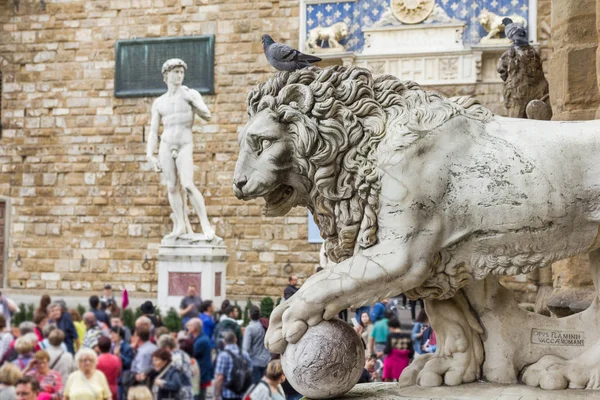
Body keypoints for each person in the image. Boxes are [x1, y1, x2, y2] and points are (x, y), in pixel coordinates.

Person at [146, 58, 215, 240]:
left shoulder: (190, 94)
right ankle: (180, 225)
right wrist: (150, 155)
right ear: (166, 75)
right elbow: (153, 132)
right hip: (166, 144)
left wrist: (193, 101)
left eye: (181, 72)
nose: (179, 75)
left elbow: (207, 115)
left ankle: (205, 226)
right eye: (175, 72)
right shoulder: (160, 102)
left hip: (184, 143)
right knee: (171, 187)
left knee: (188, 185)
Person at [214, 332, 253, 400]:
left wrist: (216, 395)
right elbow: (250, 370)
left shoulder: (223, 355)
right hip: (242, 392)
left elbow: (220, 377)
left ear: (224, 341)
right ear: (236, 340)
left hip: (228, 393)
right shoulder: (244, 353)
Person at [156, 335, 193, 400]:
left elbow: (176, 381)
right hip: (188, 392)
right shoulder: (184, 354)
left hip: (179, 395)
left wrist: (162, 382)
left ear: (167, 348)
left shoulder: (173, 358)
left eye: (161, 350)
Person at [242, 306, 270, 384]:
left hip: (254, 361)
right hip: (266, 359)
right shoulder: (264, 325)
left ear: (249, 315)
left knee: (256, 387)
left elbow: (246, 348)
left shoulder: (249, 328)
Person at [188, 318, 212, 400]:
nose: (187, 327)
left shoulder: (201, 341)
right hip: (201, 373)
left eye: (189, 326)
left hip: (200, 375)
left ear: (195, 328)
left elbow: (190, 355)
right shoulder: (200, 338)